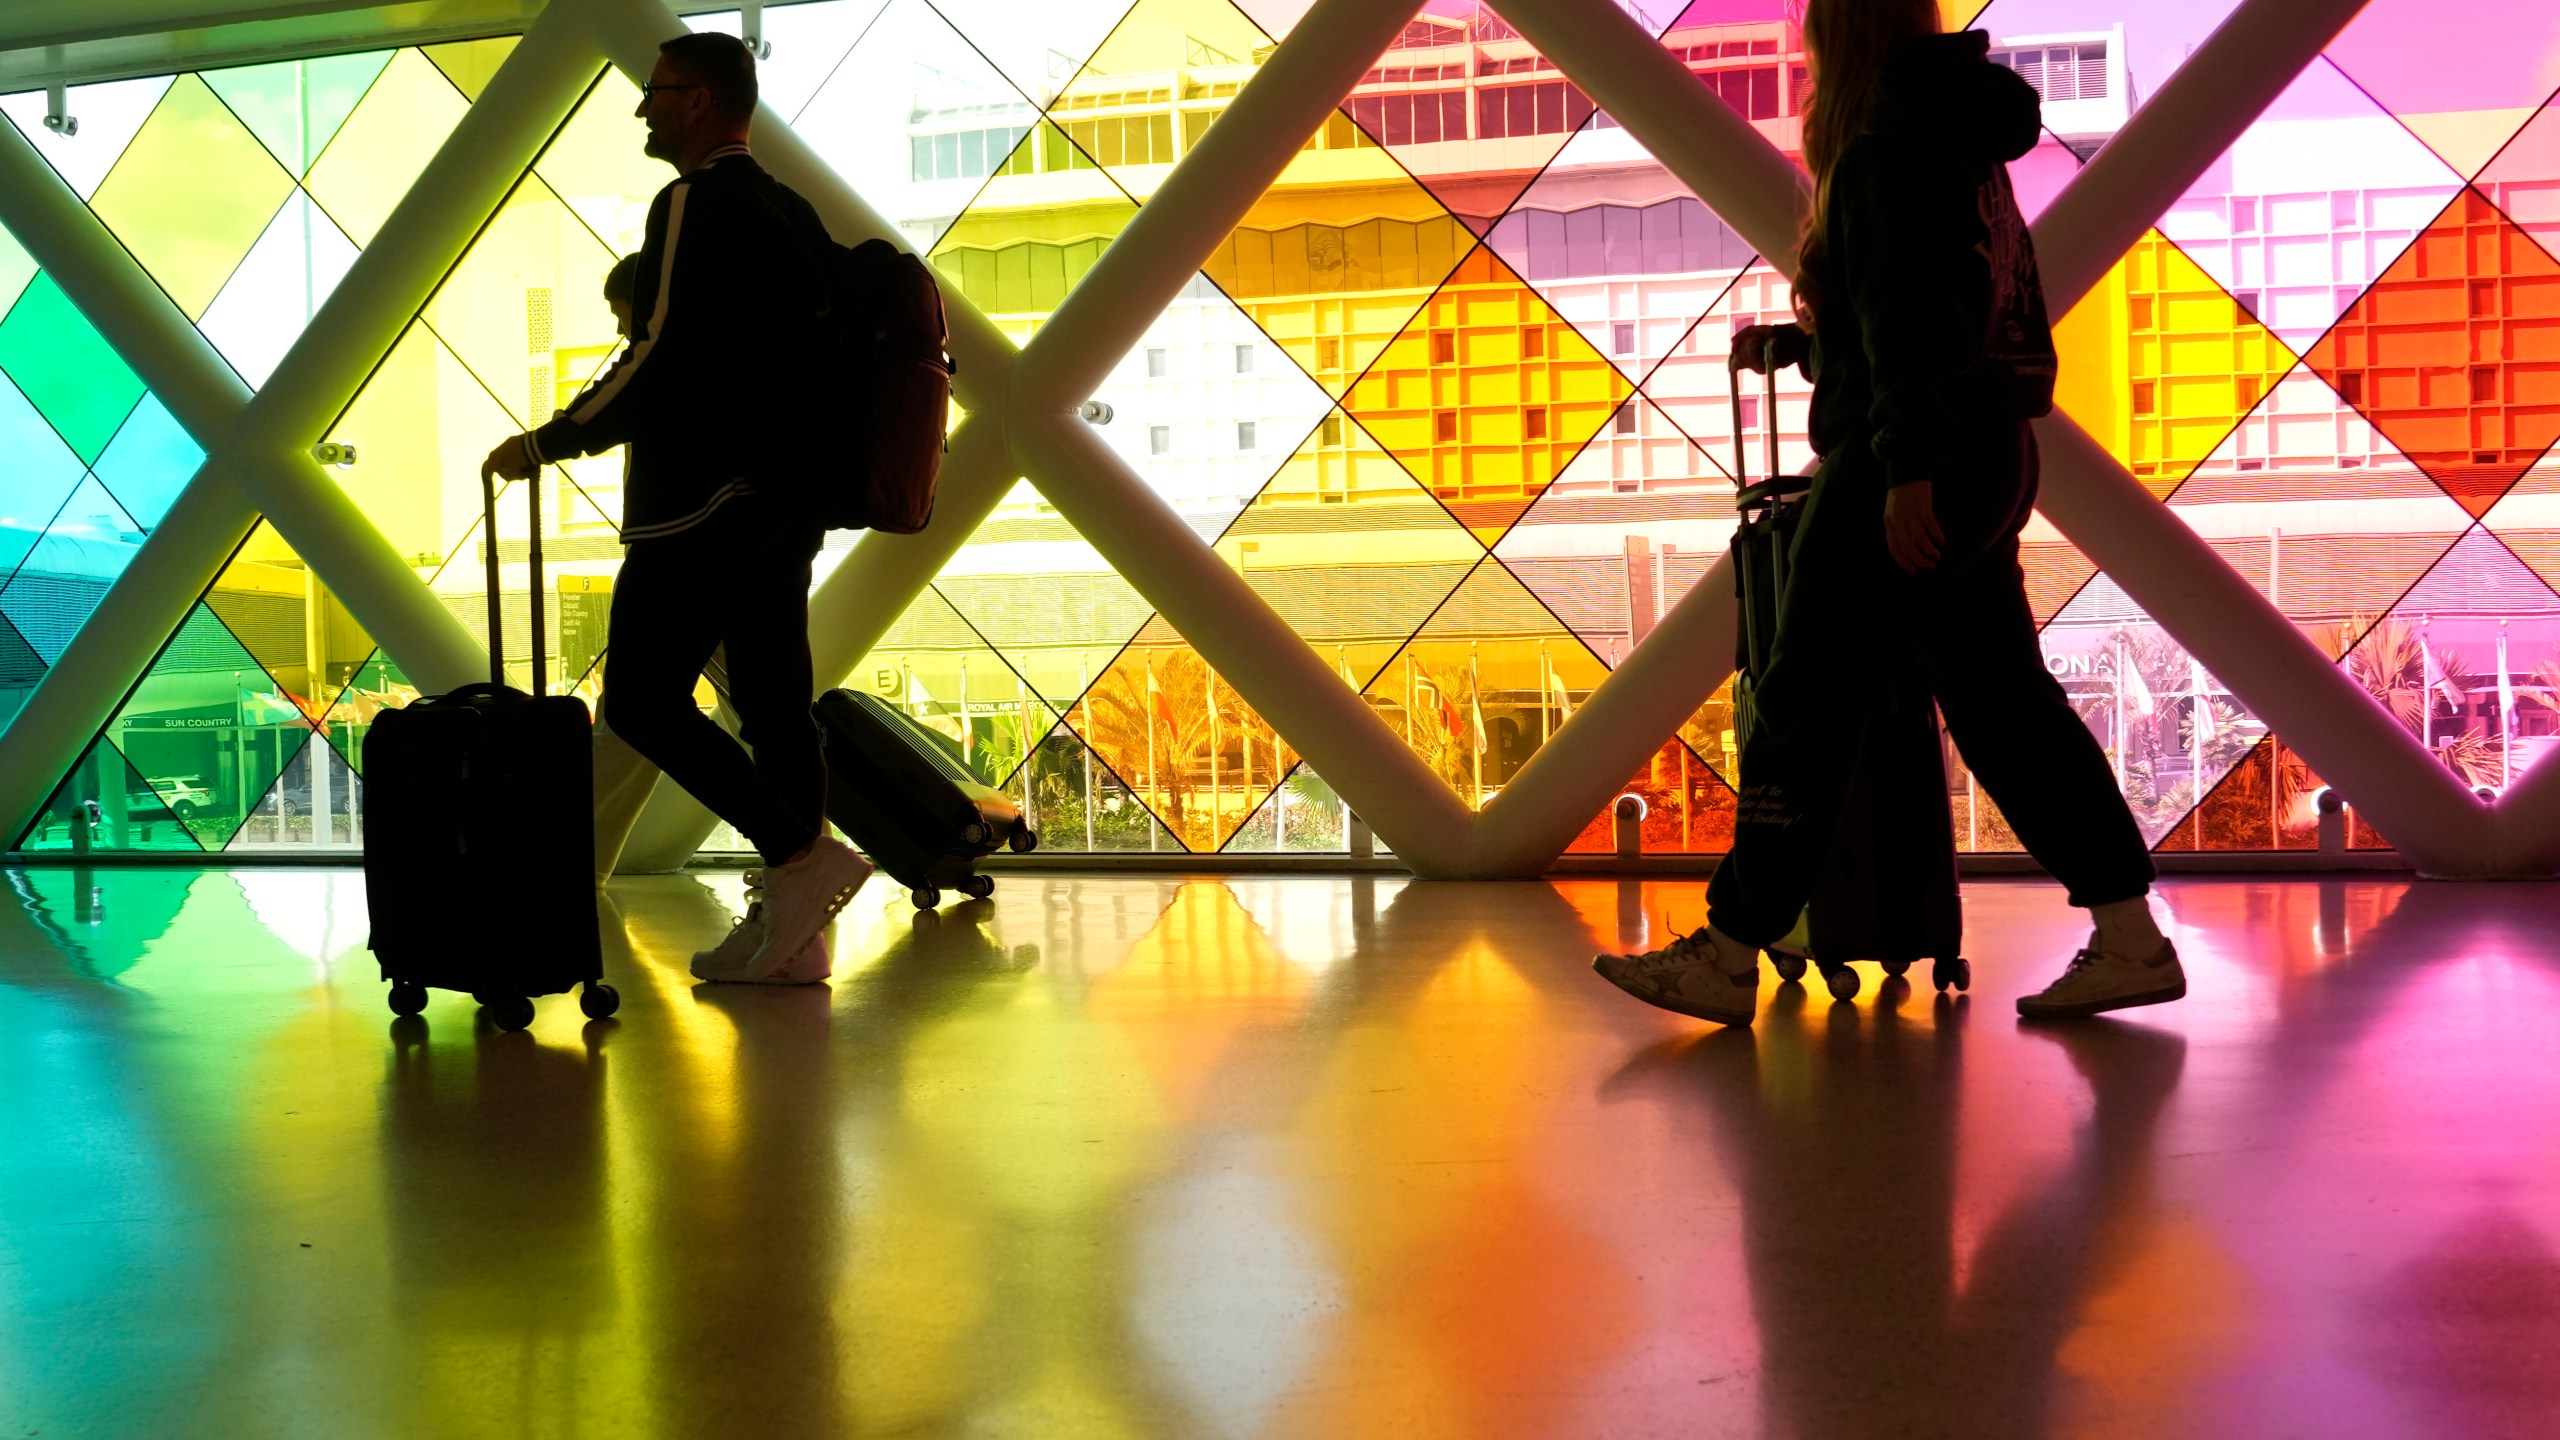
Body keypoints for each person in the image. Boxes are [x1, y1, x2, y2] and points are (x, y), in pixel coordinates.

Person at [1593, 0, 2179, 1025]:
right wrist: (1832, 351)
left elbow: (1910, 326)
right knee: (2004, 707)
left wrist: (1904, 462)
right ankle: (2129, 936)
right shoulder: (1965, 145)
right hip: (1993, 448)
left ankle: (1728, 955)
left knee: (1802, 697)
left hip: (1904, 464)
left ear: (1841, 39)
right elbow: (1951, 315)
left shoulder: (1885, 149)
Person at [482, 31, 869, 985]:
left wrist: (549, 440)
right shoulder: (791, 211)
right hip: (784, 505)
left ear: (697, 101)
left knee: (645, 703)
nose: (644, 109)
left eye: (655, 93)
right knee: (777, 712)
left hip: (698, 511)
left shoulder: (696, 200)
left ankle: (798, 853)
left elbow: (658, 353)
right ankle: (795, 939)